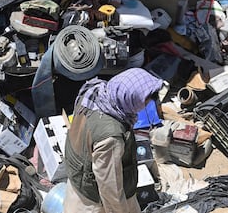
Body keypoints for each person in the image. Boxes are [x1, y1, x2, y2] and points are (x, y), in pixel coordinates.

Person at [63, 68, 164, 213]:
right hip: (94, 202)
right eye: (144, 101)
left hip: (78, 181)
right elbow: (110, 187)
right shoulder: (111, 137)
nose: (145, 106)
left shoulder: (97, 92)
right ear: (132, 97)